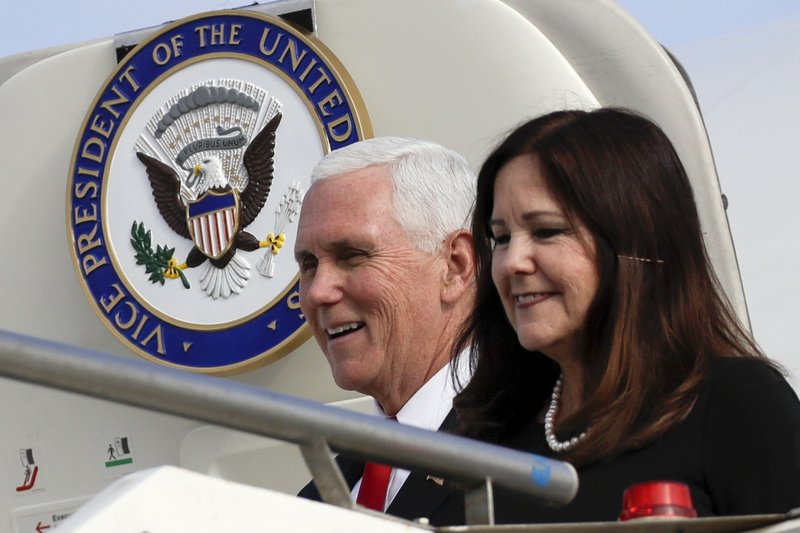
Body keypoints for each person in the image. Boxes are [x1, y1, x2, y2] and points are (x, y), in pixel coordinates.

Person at [452, 108, 800, 523]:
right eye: (502, 237)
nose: (511, 262)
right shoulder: (499, 429)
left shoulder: (734, 402)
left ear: (636, 241)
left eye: (546, 231)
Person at [294, 137, 476, 525]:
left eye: (353, 255)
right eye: (309, 264)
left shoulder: (542, 453)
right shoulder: (313, 505)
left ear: (455, 266)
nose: (318, 292)